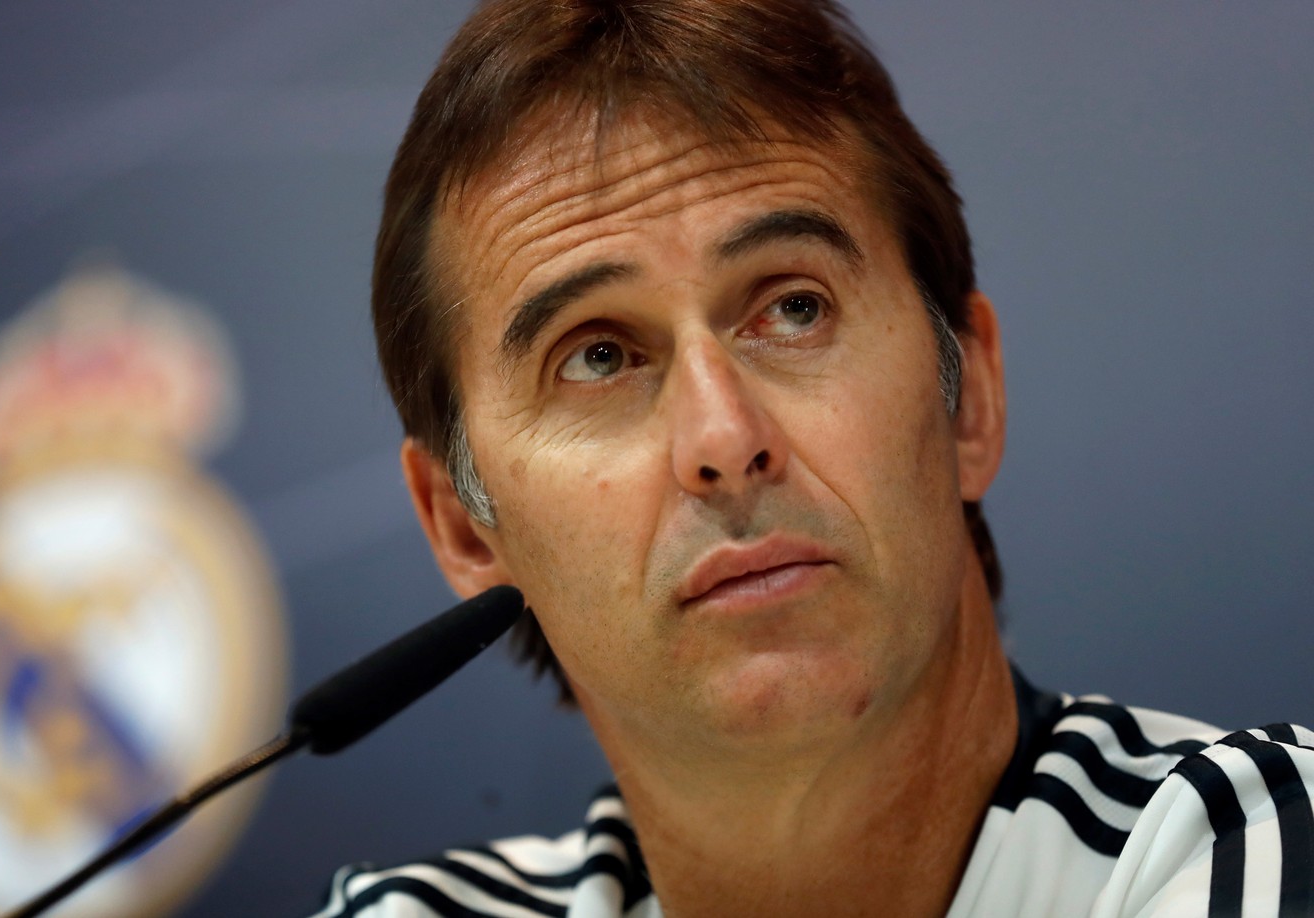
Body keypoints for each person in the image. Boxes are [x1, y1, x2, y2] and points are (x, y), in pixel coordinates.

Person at [313, 1, 1314, 915]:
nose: (725, 440)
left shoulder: (1250, 842)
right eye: (599, 356)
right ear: (463, 527)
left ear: (970, 397)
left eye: (793, 308)